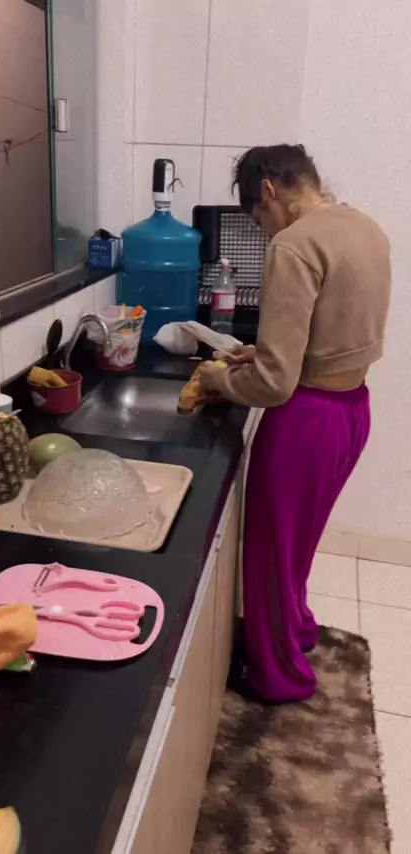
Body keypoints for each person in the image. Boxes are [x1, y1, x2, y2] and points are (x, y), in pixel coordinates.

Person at [200, 144, 391, 703]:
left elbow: (275, 385)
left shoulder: (293, 244)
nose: (264, 231)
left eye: (258, 219)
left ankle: (277, 676)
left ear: (269, 191)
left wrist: (219, 380)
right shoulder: (365, 227)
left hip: (304, 422)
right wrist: (259, 352)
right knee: (296, 547)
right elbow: (331, 334)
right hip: (352, 411)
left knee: (269, 554)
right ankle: (296, 631)